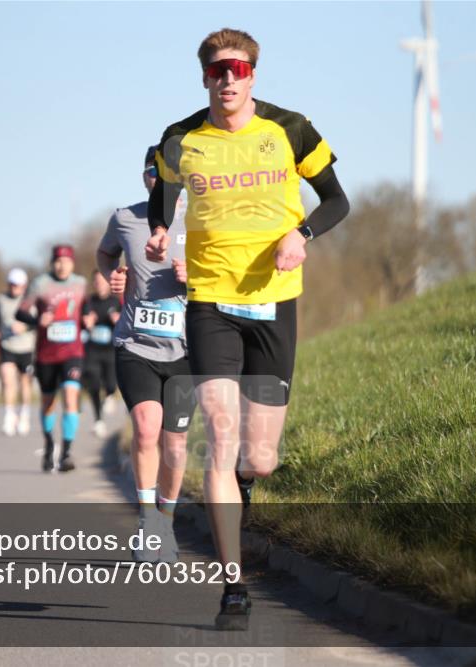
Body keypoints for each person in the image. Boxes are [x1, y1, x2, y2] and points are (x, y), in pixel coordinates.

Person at [145, 29, 350, 629]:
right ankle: (233, 588)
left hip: (275, 304)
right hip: (210, 301)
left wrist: (301, 234)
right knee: (220, 428)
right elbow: (164, 194)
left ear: (253, 75)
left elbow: (337, 201)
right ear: (203, 77)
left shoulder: (291, 129)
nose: (226, 79)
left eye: (236, 69)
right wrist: (161, 231)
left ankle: (242, 481)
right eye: (215, 71)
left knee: (259, 458)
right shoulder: (181, 139)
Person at [97, 144, 196, 564]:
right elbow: (104, 254)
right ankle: (147, 522)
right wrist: (112, 276)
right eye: (152, 174)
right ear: (144, 178)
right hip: (135, 344)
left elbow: (234, 269)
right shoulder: (125, 218)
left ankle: (166, 520)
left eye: (167, 175)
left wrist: (196, 275)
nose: (159, 181)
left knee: (175, 447)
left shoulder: (201, 218)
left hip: (187, 349)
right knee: (145, 427)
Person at [17, 245, 90, 472]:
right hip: (47, 354)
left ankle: (66, 453)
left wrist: (88, 318)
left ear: (73, 264)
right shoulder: (41, 284)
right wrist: (37, 321)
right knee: (48, 402)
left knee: (70, 397)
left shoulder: (80, 284)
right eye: (58, 261)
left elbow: (86, 308)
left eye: (66, 261)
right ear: (52, 263)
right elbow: (20, 312)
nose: (62, 265)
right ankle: (49, 445)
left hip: (72, 352)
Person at [0, 268, 36, 436]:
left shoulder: (30, 301)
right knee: (8, 380)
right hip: (7, 345)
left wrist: (25, 326)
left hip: (26, 348)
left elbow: (38, 322)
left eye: (17, 285)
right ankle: (9, 415)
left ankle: (24, 415)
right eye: (11, 285)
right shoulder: (0, 299)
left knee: (25, 383)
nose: (14, 288)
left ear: (24, 286)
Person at [82, 269, 121, 438]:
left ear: (108, 283)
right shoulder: (89, 302)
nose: (99, 284)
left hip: (110, 350)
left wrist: (117, 322)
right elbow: (82, 322)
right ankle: (98, 421)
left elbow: (124, 323)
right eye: (96, 281)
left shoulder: (116, 301)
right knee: (94, 385)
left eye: (102, 281)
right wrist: (87, 323)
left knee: (111, 384)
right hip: (93, 350)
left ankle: (111, 394)